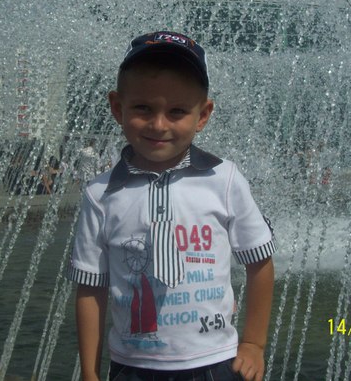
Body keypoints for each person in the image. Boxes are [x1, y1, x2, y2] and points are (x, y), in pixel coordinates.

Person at [68, 31, 276, 381]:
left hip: (215, 362)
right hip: (133, 366)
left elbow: (260, 262)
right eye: (143, 108)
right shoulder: (100, 194)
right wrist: (90, 371)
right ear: (117, 108)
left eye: (177, 111)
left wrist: (254, 343)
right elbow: (91, 287)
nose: (159, 124)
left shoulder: (224, 180)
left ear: (203, 115)